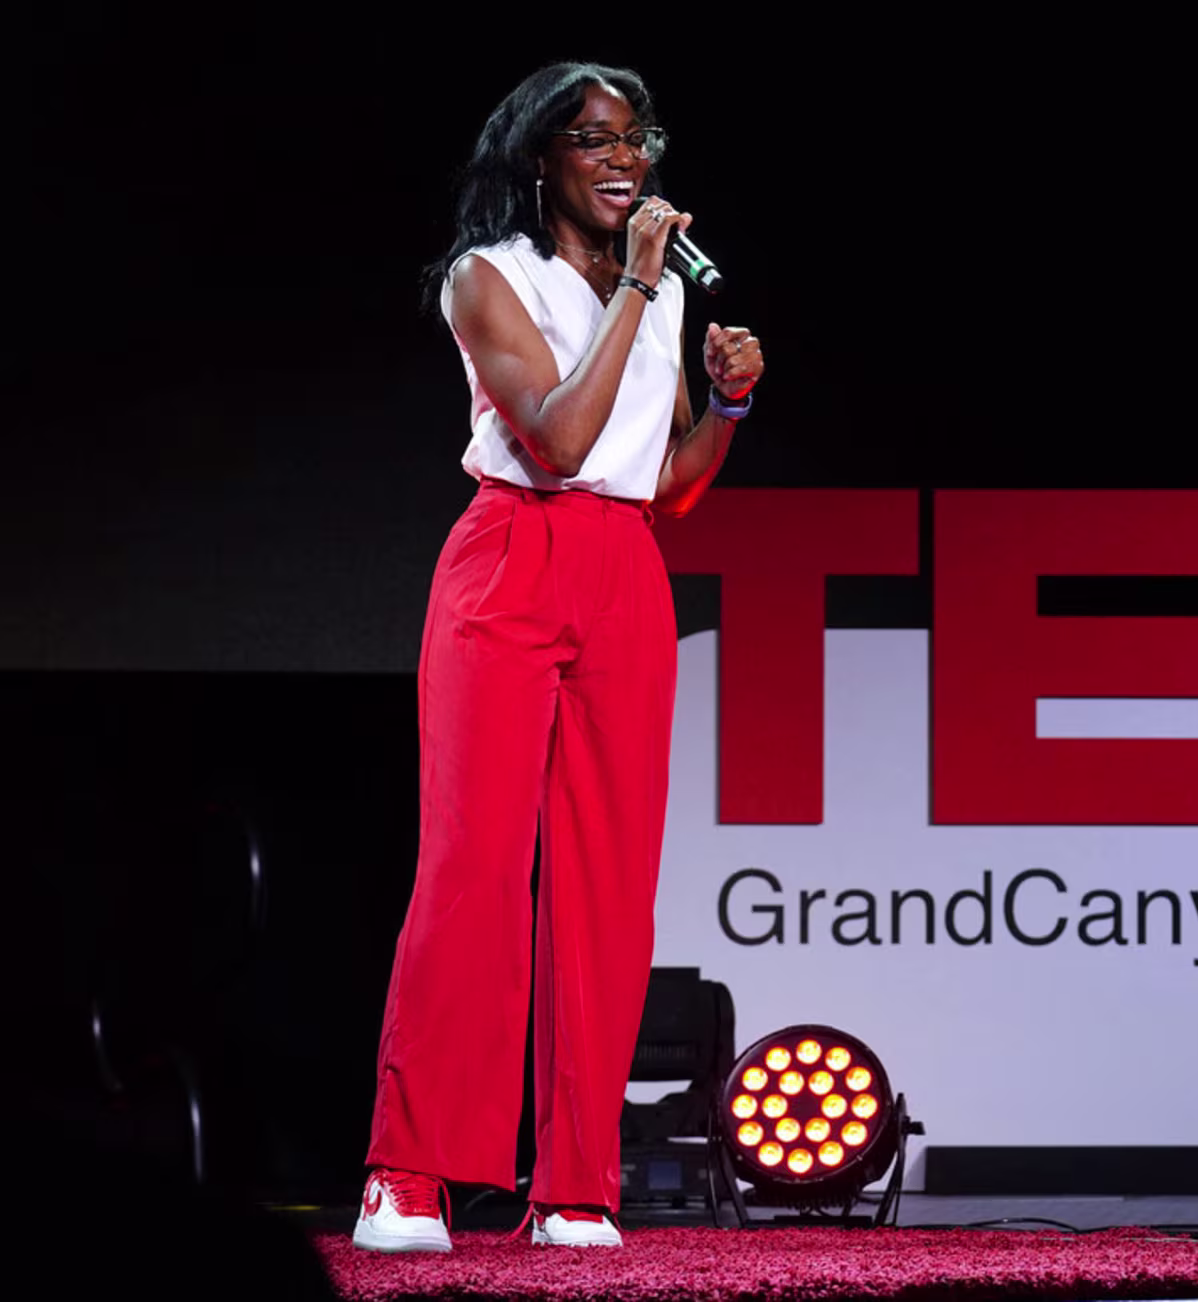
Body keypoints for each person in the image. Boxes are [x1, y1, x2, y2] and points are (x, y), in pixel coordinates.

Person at [352, 61, 763, 1253]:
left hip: (623, 569)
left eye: (636, 138)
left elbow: (663, 487)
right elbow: (561, 434)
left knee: (606, 884)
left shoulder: (661, 297)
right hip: (508, 564)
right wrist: (638, 286)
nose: (621, 158)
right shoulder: (488, 280)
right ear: (542, 159)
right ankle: (411, 1175)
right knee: (475, 868)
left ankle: (575, 1185)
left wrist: (726, 413)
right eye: (592, 139)